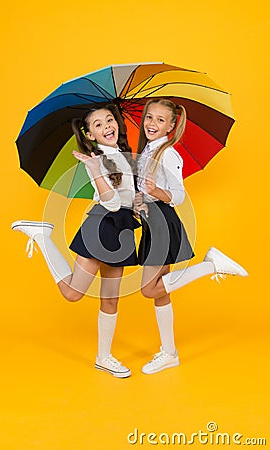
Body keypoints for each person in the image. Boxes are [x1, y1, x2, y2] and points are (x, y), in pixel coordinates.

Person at [12, 104, 140, 378]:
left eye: (110, 120)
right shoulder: (98, 160)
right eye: (98, 124)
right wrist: (95, 170)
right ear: (90, 135)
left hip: (122, 229)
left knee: (110, 300)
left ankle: (103, 358)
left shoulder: (124, 156)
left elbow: (127, 200)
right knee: (73, 293)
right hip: (103, 225)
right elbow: (114, 204)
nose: (107, 126)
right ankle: (42, 237)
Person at [134, 98, 248, 375]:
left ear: (171, 126)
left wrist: (156, 193)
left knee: (149, 289)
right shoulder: (147, 150)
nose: (152, 124)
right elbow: (149, 190)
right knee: (161, 293)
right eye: (150, 117)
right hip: (153, 221)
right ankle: (169, 353)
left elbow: (179, 196)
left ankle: (212, 265)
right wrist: (140, 200)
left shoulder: (169, 154)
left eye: (161, 120)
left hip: (163, 222)